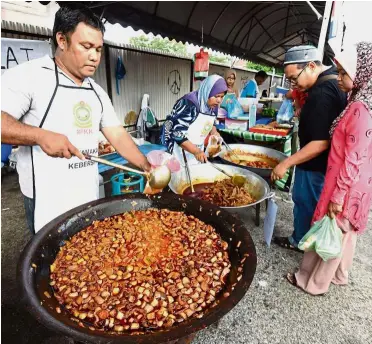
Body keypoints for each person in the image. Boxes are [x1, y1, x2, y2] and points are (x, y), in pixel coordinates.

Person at [1, 6, 151, 234]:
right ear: (62, 40)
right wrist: (39, 136)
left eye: (99, 49)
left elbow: (118, 135)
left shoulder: (97, 92)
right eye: (86, 46)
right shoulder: (29, 76)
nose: (95, 56)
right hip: (46, 199)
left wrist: (146, 166)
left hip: (86, 195)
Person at [287, 42, 372, 295]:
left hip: (346, 182)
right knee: (346, 234)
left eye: (345, 73)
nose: (341, 78)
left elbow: (354, 157)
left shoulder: (359, 109)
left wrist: (337, 195)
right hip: (357, 183)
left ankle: (311, 283)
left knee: (329, 232)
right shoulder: (360, 100)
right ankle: (339, 275)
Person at [271, 45, 347, 251]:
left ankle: (301, 243)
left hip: (315, 165)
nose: (293, 84)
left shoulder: (323, 92)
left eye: (294, 78)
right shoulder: (330, 81)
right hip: (321, 164)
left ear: (312, 66)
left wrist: (286, 163)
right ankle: (303, 241)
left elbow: (321, 142)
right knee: (308, 203)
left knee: (306, 203)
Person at [161, 75, 227, 165]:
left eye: (222, 97)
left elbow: (212, 122)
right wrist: (196, 151)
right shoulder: (190, 103)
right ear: (207, 91)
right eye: (216, 96)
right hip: (179, 150)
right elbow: (177, 134)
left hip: (197, 150)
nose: (219, 100)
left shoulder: (213, 106)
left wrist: (214, 132)